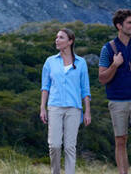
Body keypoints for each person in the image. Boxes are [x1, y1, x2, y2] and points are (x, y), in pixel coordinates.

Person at [98, 9, 131, 174]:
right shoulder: (108, 49)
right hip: (117, 100)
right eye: (129, 23)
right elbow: (102, 78)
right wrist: (115, 65)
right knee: (120, 140)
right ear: (119, 26)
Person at [40, 27, 92, 174]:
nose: (57, 40)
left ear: (70, 41)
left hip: (74, 109)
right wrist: (42, 108)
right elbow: (45, 87)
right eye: (56, 37)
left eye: (61, 37)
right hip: (54, 107)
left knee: (70, 147)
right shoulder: (50, 62)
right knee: (54, 145)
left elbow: (85, 89)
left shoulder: (81, 63)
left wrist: (87, 111)